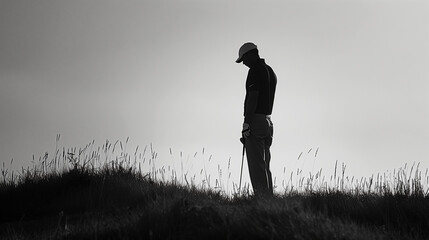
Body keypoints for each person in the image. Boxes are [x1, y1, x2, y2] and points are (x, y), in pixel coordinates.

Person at [236, 42, 277, 197]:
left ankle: (261, 199)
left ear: (251, 54)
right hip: (268, 121)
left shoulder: (255, 70)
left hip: (256, 120)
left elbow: (253, 97)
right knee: (265, 165)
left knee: (256, 165)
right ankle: (269, 200)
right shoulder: (270, 70)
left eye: (243, 59)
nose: (243, 63)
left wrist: (247, 123)